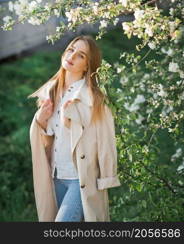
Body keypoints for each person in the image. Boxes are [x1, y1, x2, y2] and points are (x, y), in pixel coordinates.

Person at [28, 35, 121, 222]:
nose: (72, 56)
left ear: (87, 65)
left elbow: (106, 140)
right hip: (55, 175)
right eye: (71, 50)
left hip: (80, 179)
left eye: (81, 55)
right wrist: (41, 120)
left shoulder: (93, 100)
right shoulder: (52, 91)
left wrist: (107, 176)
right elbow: (49, 138)